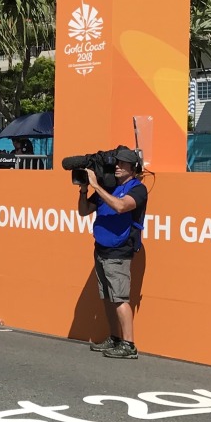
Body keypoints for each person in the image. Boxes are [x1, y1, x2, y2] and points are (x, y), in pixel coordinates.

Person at [77, 148, 148, 359]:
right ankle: (115, 337)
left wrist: (96, 186)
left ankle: (129, 344)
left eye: (122, 164)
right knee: (107, 296)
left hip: (120, 249)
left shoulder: (138, 189)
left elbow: (120, 207)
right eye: (116, 163)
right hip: (101, 248)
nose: (117, 166)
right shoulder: (109, 188)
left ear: (133, 168)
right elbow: (83, 211)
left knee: (120, 298)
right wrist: (83, 190)